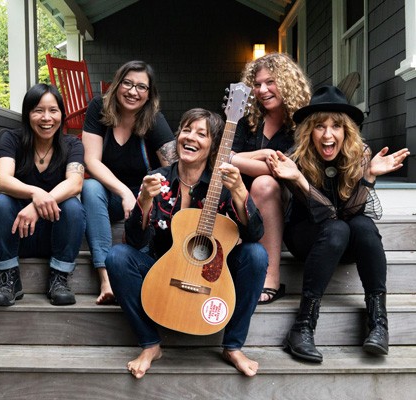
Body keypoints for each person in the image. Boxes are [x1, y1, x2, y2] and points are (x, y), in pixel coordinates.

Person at [105, 108, 268, 378]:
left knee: (256, 255)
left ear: (214, 144)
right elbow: (135, 241)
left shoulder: (225, 183)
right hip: (165, 271)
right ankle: (150, 344)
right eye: (186, 130)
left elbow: (254, 234)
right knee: (118, 257)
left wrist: (240, 192)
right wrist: (144, 200)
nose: (190, 137)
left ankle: (233, 346)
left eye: (201, 134)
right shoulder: (158, 179)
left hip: (211, 275)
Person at [267, 85, 410, 362]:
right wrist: (298, 180)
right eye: (320, 126)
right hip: (307, 237)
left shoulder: (360, 154)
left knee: (363, 226)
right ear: (310, 131)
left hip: (343, 236)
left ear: (347, 132)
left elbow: (351, 211)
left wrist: (368, 176)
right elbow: (329, 216)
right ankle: (302, 327)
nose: (328, 134)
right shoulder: (296, 159)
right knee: (338, 227)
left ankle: (379, 322)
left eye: (336, 126)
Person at [81, 60, 176, 304]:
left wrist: (145, 195)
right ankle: (105, 278)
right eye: (128, 83)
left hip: (144, 200)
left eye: (142, 87)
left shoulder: (153, 118)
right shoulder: (98, 108)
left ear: (149, 94)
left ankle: (139, 276)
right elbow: (91, 161)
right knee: (90, 187)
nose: (133, 92)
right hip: (111, 195)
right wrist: (123, 191)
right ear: (117, 84)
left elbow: (173, 166)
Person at [0, 83, 86, 307]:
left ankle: (59, 278)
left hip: (55, 235)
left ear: (62, 114)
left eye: (53, 110)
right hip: (18, 233)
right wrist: (36, 192)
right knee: (0, 204)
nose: (46, 118)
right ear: (27, 114)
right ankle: (9, 279)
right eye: (38, 110)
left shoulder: (72, 144)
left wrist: (36, 205)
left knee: (73, 207)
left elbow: (75, 183)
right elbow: (2, 180)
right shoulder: (11, 139)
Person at [230, 52, 311, 304]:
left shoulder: (303, 122)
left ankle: (270, 277)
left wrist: (235, 159)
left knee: (265, 183)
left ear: (287, 82)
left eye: (270, 82)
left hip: (288, 200)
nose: (262, 90)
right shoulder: (246, 118)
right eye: (257, 84)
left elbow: (282, 168)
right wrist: (259, 154)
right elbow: (221, 155)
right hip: (239, 196)